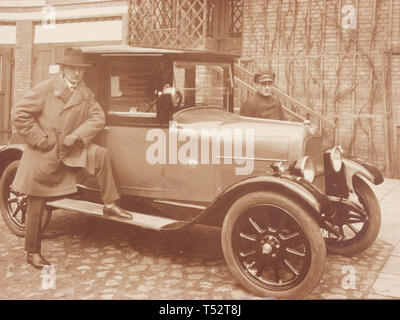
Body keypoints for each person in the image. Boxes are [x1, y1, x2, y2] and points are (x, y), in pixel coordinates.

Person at [12, 47, 132, 270]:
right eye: (73, 69)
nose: (77, 74)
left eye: (80, 70)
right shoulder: (46, 88)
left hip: (70, 149)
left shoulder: (84, 92)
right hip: (44, 152)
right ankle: (32, 251)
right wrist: (40, 139)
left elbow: (97, 118)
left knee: (100, 155)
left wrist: (77, 136)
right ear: (63, 69)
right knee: (37, 201)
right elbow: (19, 113)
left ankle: (110, 203)